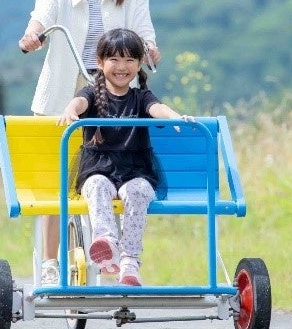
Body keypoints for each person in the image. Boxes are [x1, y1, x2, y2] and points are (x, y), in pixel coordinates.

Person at [17, 0, 162, 286]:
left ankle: (113, 257)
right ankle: (49, 265)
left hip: (111, 100)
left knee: (112, 174)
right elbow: (40, 20)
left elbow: (145, 34)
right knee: (54, 186)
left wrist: (149, 48)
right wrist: (33, 36)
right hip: (60, 99)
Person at [58, 28, 193, 286]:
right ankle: (106, 242)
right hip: (98, 170)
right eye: (115, 60)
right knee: (97, 186)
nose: (122, 67)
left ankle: (130, 262)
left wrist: (174, 116)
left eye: (130, 60)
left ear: (140, 63)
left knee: (139, 190)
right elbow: (79, 104)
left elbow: (157, 109)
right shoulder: (91, 94)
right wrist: (70, 110)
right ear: (100, 62)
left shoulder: (141, 97)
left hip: (136, 171)